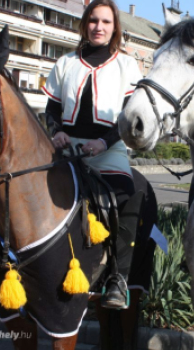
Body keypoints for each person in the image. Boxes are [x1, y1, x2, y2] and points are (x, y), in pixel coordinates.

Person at [42, 0, 143, 309]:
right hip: (67, 147)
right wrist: (56, 130)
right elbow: (52, 108)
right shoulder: (65, 62)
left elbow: (129, 115)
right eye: (93, 20)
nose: (99, 27)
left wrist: (104, 141)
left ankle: (117, 278)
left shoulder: (127, 65)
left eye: (106, 22)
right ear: (85, 23)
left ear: (114, 28)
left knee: (132, 191)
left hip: (108, 148)